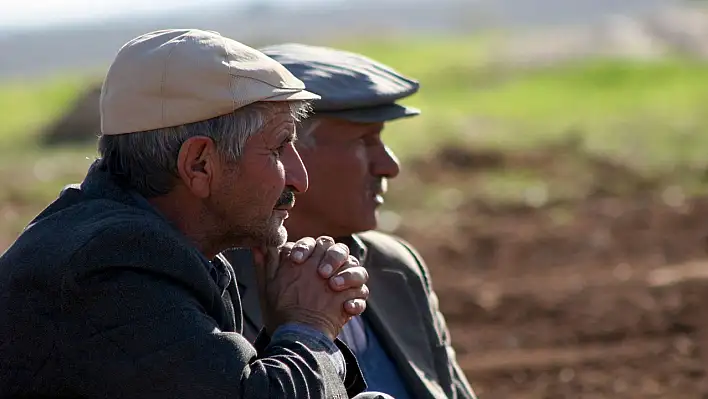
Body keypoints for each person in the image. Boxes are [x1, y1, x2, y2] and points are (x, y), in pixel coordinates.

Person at [0, 29, 393, 399]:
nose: (299, 179)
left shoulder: (143, 242)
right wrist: (309, 327)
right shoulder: (111, 267)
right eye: (278, 149)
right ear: (200, 164)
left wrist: (284, 333)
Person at [223, 44, 478, 398]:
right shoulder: (215, 287)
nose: (389, 165)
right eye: (364, 141)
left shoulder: (396, 268)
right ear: (287, 152)